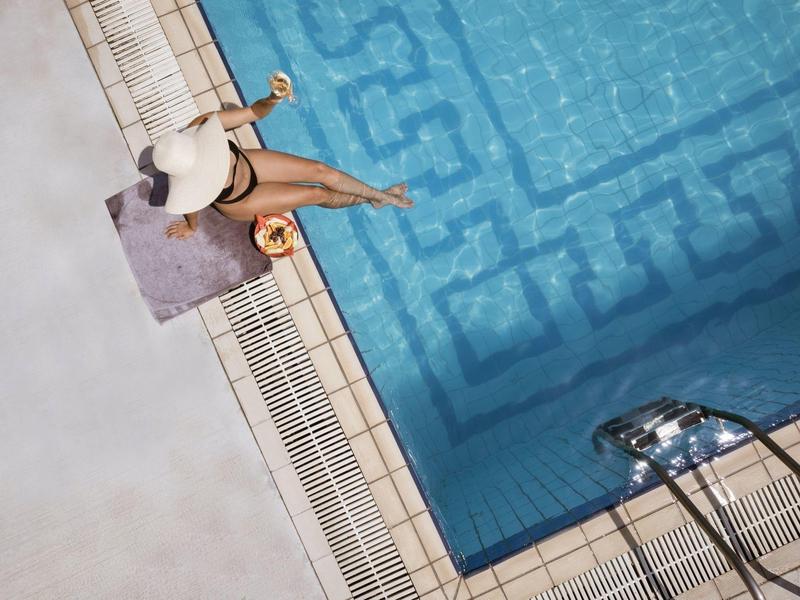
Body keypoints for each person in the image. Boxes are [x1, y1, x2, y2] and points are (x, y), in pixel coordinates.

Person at [153, 85, 414, 240]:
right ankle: (376, 199)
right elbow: (191, 202)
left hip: (250, 163)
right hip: (243, 200)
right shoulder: (189, 180)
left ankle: (380, 196)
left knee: (319, 170)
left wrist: (273, 98)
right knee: (316, 194)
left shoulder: (202, 125)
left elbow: (253, 112)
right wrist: (191, 226)